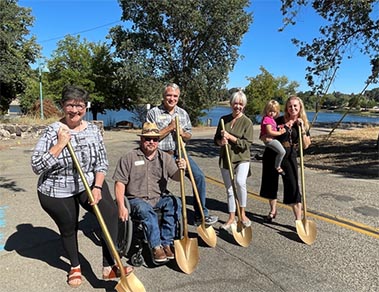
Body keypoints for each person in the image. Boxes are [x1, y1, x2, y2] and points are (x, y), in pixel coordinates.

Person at [31, 85, 132, 288]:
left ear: (86, 107)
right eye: (70, 105)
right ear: (63, 106)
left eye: (80, 106)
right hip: (56, 189)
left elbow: (102, 162)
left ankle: (109, 265)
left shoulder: (93, 130)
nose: (75, 111)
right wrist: (59, 144)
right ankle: (75, 266)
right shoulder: (53, 131)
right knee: (69, 227)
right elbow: (36, 166)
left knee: (110, 213)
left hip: (87, 183)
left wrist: (97, 186)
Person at [113, 122, 186, 263]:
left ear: (158, 141)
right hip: (135, 200)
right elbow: (119, 183)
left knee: (175, 202)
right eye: (147, 139)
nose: (151, 142)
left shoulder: (165, 158)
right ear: (141, 139)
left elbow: (177, 178)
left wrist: (182, 169)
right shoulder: (129, 158)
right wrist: (121, 206)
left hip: (157, 197)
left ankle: (167, 242)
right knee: (145, 210)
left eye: (155, 139)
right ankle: (156, 247)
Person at [146, 83, 218, 226]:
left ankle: (201, 215)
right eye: (169, 95)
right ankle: (157, 214)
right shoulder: (154, 113)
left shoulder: (183, 113)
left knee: (199, 177)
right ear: (163, 96)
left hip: (180, 153)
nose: (172, 99)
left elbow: (189, 134)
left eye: (175, 96)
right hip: (161, 155)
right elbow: (150, 137)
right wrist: (170, 127)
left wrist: (182, 133)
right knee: (158, 185)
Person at [259, 95, 311, 223]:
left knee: (293, 186)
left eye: (295, 106)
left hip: (290, 156)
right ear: (286, 108)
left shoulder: (303, 124)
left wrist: (302, 129)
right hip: (273, 154)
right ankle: (272, 211)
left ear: (300, 108)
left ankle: (298, 219)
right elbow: (266, 133)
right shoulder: (279, 119)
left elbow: (306, 145)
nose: (292, 108)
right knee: (270, 184)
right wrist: (265, 138)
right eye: (290, 106)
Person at [214, 90, 254, 230]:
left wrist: (230, 137)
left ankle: (242, 214)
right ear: (231, 104)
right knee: (230, 190)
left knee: (240, 182)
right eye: (235, 103)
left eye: (241, 104)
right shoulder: (223, 120)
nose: (238, 106)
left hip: (242, 158)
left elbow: (247, 144)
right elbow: (216, 140)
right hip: (226, 158)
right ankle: (231, 217)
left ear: (244, 106)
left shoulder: (247, 122)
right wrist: (221, 142)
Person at [259, 100, 287, 175]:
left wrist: (279, 127)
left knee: (278, 151)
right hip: (269, 140)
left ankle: (276, 165)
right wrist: (280, 133)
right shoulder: (267, 119)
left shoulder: (271, 119)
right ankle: (277, 166)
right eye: (270, 111)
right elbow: (269, 132)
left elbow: (273, 127)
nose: (272, 113)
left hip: (269, 139)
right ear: (266, 110)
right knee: (282, 152)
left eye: (274, 111)